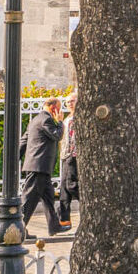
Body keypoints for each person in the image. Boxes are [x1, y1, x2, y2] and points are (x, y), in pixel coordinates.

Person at [19, 97, 68, 237]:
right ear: (54, 108)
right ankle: (18, 228)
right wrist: (59, 122)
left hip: (38, 165)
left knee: (48, 197)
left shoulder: (35, 120)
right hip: (39, 165)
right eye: (59, 108)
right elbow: (57, 136)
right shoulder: (46, 120)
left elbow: (24, 141)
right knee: (29, 199)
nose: (60, 111)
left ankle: (54, 226)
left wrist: (16, 157)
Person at [59, 90, 78, 227]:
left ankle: (88, 204)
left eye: (72, 101)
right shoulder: (68, 118)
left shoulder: (77, 118)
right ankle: (64, 218)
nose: (69, 104)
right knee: (64, 188)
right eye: (67, 102)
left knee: (71, 185)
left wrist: (72, 153)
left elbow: (73, 139)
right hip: (66, 155)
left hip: (73, 155)